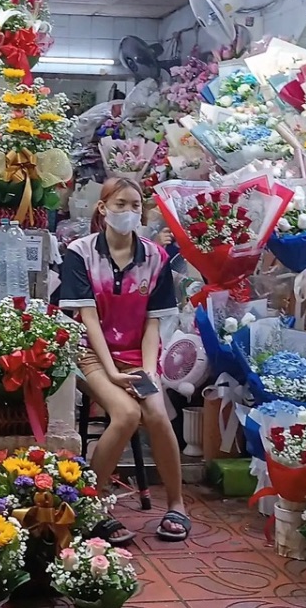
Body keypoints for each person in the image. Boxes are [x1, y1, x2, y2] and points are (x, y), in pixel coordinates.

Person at [56, 177, 189, 543]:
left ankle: (176, 504)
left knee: (157, 413)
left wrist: (148, 371)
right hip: (91, 353)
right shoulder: (79, 253)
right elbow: (88, 320)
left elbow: (152, 323)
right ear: (103, 208)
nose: (129, 212)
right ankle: (92, 506)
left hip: (136, 355)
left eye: (136, 205)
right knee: (128, 414)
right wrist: (112, 373)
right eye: (120, 204)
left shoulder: (155, 257)